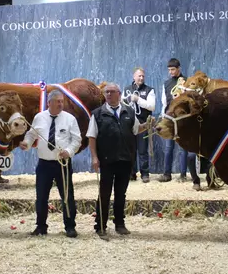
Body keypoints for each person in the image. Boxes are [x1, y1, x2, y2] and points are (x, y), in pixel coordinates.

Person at [19, 90, 82, 237]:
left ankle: (70, 227)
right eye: (57, 101)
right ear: (49, 103)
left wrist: (69, 151)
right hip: (44, 164)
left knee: (67, 196)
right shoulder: (39, 118)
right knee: (41, 197)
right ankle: (41, 227)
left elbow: (77, 139)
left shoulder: (70, 119)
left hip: (63, 164)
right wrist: (26, 144)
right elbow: (31, 134)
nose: (61, 104)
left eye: (62, 101)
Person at [88, 82, 147, 236]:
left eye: (111, 92)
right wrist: (94, 157)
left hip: (126, 160)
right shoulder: (97, 114)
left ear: (119, 94)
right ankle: (100, 225)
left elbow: (136, 129)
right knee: (104, 193)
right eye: (106, 92)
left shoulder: (129, 111)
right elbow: (92, 137)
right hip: (107, 160)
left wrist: (147, 125)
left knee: (121, 193)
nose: (108, 94)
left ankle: (120, 224)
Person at [125, 67, 155, 183]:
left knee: (142, 150)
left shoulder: (149, 90)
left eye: (143, 76)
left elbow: (151, 106)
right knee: (130, 150)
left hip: (143, 124)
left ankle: (145, 174)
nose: (141, 78)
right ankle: (131, 173)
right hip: (129, 124)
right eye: (139, 76)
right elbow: (123, 103)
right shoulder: (127, 89)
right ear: (134, 76)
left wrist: (138, 100)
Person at [159, 58, 187, 182]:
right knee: (168, 147)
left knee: (183, 148)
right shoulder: (166, 84)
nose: (171, 72)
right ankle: (167, 174)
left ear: (179, 68)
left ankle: (183, 175)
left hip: (182, 119)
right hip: (169, 119)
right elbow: (164, 103)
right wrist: (163, 117)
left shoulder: (187, 82)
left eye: (173, 69)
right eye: (169, 70)